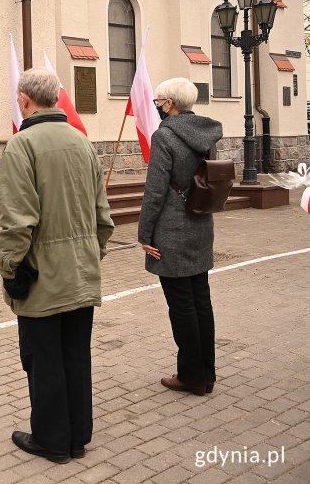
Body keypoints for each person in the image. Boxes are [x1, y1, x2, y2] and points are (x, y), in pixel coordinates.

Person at [0, 67, 114, 464]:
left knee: (43, 359)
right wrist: (89, 255)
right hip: (80, 272)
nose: (17, 101)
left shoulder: (21, 145)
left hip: (42, 276)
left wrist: (11, 270)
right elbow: (103, 218)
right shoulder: (83, 143)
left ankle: (51, 439)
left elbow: (17, 221)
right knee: (75, 355)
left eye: (18, 96)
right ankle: (77, 436)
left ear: (27, 99)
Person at [138, 77, 222, 397]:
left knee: (182, 305)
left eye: (159, 101)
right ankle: (207, 372)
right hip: (201, 224)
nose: (157, 106)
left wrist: (145, 232)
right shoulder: (206, 133)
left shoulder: (165, 136)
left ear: (170, 103)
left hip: (171, 232)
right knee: (201, 301)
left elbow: (156, 190)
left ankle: (191, 376)